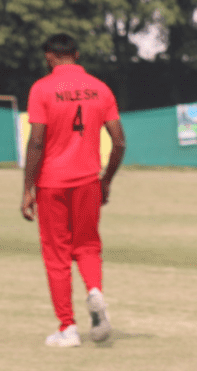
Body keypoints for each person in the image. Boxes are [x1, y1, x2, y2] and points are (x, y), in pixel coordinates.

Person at [20, 33, 127, 347]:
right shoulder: (101, 88)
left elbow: (36, 142)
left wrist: (27, 189)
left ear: (49, 57)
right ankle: (94, 291)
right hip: (88, 181)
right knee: (88, 246)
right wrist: (106, 180)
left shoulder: (41, 89)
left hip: (51, 184)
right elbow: (119, 142)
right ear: (77, 54)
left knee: (57, 256)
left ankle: (67, 327)